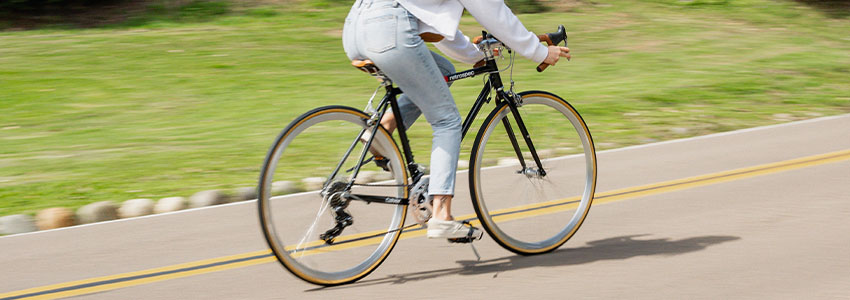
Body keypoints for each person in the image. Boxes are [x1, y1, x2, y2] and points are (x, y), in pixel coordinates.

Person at [342, 0, 571, 240]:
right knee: (447, 120)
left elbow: (438, 30)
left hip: (356, 29)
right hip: (389, 30)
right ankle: (441, 214)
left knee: (442, 72)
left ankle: (383, 131)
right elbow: (494, 13)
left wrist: (474, 55)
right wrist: (541, 52)